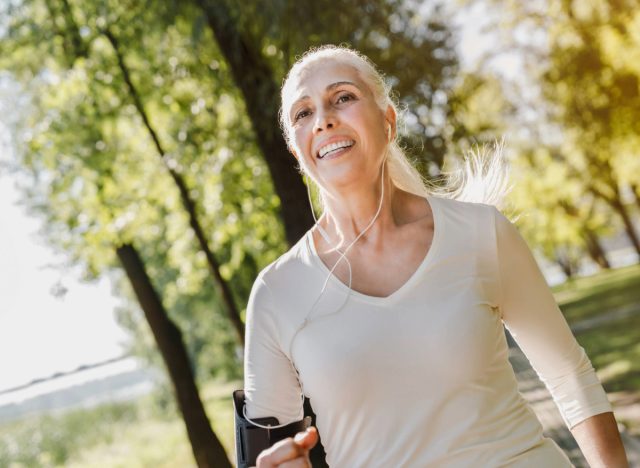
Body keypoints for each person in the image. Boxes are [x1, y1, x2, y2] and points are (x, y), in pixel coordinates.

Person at [242, 45, 629, 467]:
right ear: (297, 152)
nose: (324, 119)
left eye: (343, 97)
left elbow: (571, 377)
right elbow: (265, 454)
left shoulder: (481, 233)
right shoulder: (276, 294)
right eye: (303, 113)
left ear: (388, 122)